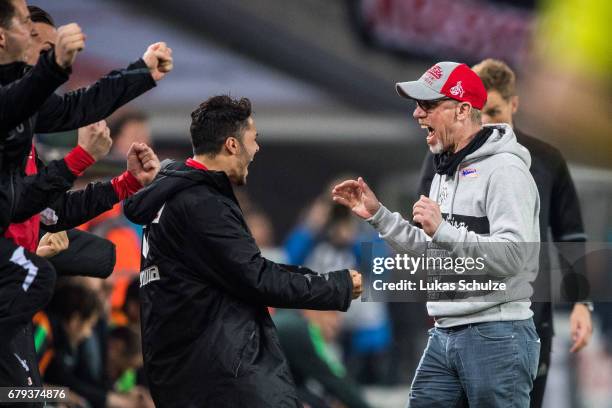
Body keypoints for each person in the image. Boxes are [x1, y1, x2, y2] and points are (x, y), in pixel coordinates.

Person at [123, 95, 363, 407]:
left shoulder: (175, 198)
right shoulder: (201, 202)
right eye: (254, 138)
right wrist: (336, 285)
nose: (257, 149)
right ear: (232, 145)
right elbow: (258, 278)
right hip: (219, 377)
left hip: (189, 372)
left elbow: (245, 270)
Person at [332, 62, 541, 407]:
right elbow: (435, 256)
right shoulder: (446, 170)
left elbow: (514, 256)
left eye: (428, 105)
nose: (417, 113)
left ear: (462, 110)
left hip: (497, 334)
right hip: (445, 331)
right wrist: (378, 216)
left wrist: (444, 230)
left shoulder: (505, 170)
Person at [416, 58, 593, 408]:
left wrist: (581, 302)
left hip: (525, 313)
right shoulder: (441, 161)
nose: (489, 120)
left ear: (515, 104)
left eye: (495, 110)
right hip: (459, 319)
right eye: (484, 110)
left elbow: (570, 236)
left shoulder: (543, 159)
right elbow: (425, 232)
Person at [274, 309, 372, 408]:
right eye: (332, 313)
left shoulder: (286, 320)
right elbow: (334, 378)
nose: (336, 322)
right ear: (311, 310)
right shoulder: (297, 328)